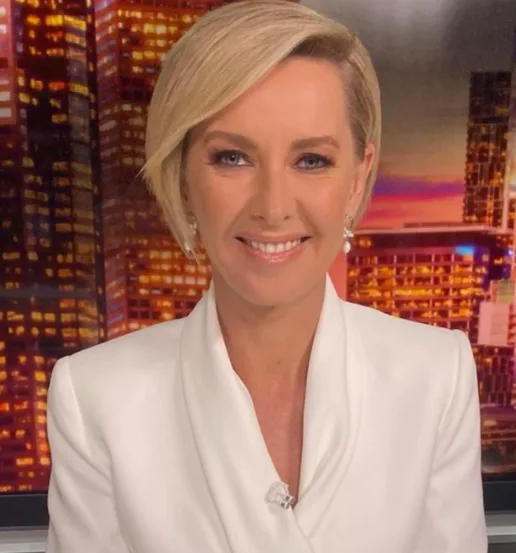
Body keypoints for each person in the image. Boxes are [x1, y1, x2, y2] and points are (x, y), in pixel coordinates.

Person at [45, 1, 487, 551]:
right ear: (183, 179)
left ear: (357, 178)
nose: (273, 208)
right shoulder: (94, 397)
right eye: (232, 158)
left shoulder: (436, 375)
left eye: (311, 161)